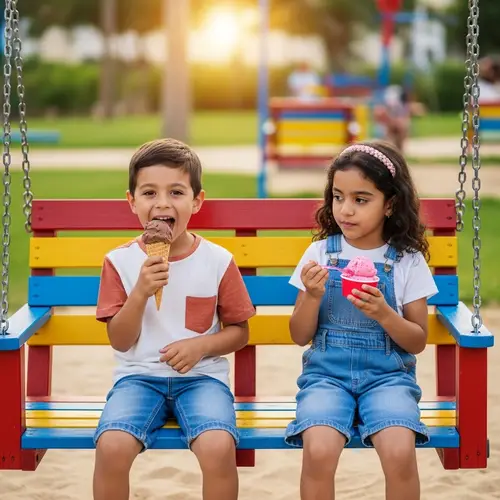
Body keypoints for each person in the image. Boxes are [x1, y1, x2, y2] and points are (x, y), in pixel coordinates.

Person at [92, 138, 256, 500]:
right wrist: (140, 294)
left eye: (176, 192)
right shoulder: (119, 262)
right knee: (111, 446)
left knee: (217, 446)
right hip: (138, 379)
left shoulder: (217, 261)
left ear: (197, 201)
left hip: (202, 380)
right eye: (149, 192)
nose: (162, 202)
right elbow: (120, 340)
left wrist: (202, 345)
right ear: (131, 201)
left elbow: (239, 332)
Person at [285, 140, 438, 500]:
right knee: (319, 450)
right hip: (326, 377)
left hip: (388, 379)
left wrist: (384, 313)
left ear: (390, 204)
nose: (345, 210)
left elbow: (417, 341)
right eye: (338, 197)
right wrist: (311, 296)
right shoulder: (321, 253)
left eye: (360, 199)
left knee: (400, 452)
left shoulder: (406, 260)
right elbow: (299, 334)